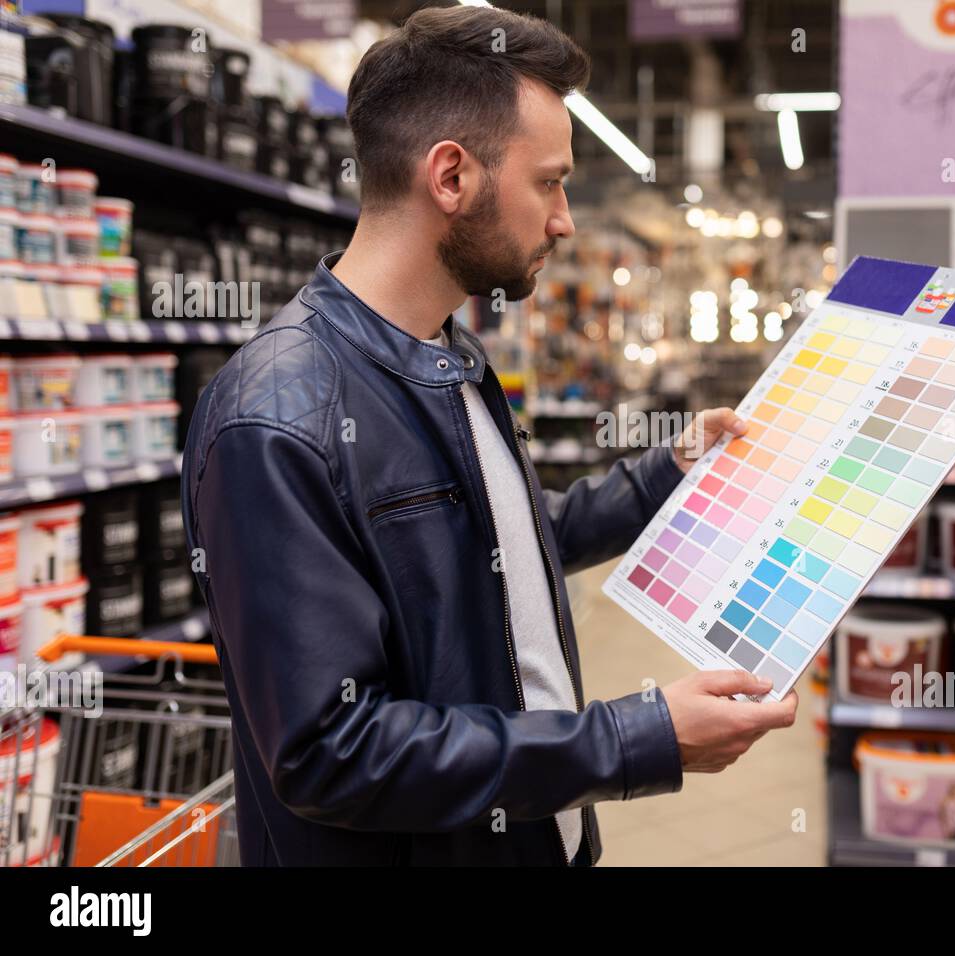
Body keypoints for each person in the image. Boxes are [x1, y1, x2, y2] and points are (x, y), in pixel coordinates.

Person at [181, 5, 798, 867]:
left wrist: (668, 471)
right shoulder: (275, 420)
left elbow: (499, 538)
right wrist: (632, 739)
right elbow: (332, 752)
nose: (566, 220)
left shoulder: (446, 355)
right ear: (451, 178)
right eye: (549, 181)